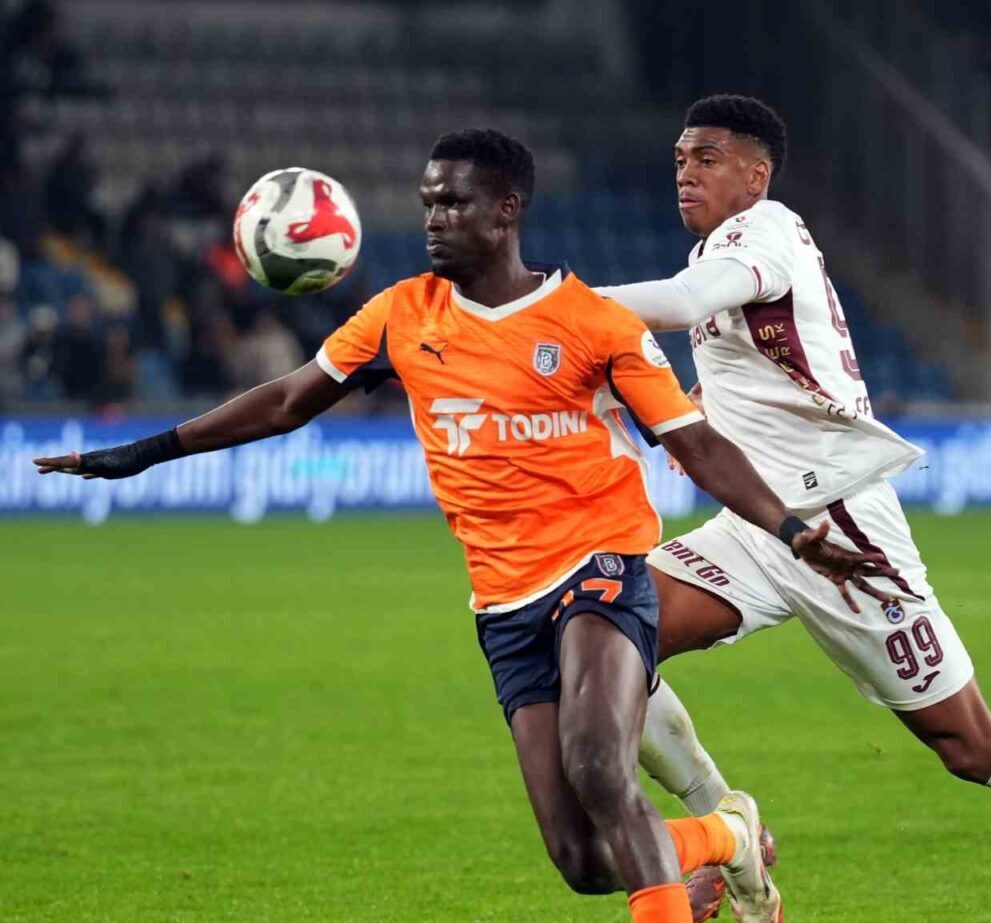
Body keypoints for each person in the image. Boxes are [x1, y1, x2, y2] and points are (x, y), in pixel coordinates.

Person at [32, 129, 891, 923]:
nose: (434, 218)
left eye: (453, 202)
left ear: (507, 210)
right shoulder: (402, 315)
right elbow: (289, 400)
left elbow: (694, 443)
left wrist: (789, 528)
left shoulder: (592, 321)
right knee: (583, 861)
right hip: (505, 603)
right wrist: (144, 451)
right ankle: (727, 833)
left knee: (601, 767)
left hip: (600, 566)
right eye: (427, 203)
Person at [596, 95, 991, 923]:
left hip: (840, 531)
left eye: (707, 158)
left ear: (756, 176)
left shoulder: (763, 231)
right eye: (680, 160)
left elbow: (685, 302)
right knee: (608, 637)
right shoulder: (724, 249)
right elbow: (744, 364)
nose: (685, 174)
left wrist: (552, 306)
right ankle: (731, 830)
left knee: (969, 742)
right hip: (757, 529)